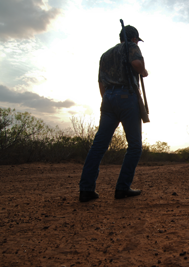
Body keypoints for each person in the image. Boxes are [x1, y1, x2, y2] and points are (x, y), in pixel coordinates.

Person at [79, 25, 148, 202]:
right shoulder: (132, 47)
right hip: (127, 97)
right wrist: (144, 71)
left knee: (99, 146)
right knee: (134, 146)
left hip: (108, 98)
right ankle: (122, 188)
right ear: (133, 39)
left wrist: (109, 100)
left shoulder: (105, 55)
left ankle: (86, 189)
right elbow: (137, 64)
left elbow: (101, 82)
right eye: (136, 40)